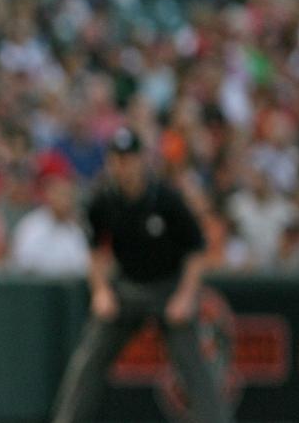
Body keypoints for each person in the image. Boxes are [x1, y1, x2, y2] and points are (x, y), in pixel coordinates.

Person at [50, 128, 229, 423]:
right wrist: (101, 291)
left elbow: (196, 251)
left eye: (130, 158)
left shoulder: (166, 199)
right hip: (128, 287)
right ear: (110, 161)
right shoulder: (103, 201)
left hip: (168, 288)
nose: (124, 165)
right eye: (118, 158)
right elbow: (96, 252)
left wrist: (185, 298)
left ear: (142, 160)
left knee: (195, 367)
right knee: (88, 360)